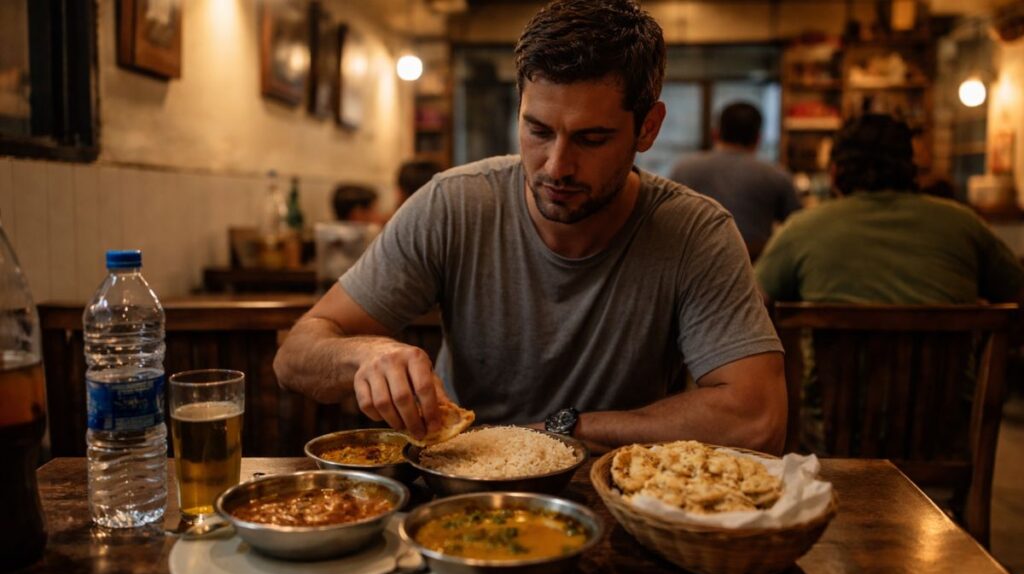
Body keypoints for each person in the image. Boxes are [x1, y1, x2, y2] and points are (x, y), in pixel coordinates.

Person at [274, 0, 786, 454]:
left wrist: (569, 428)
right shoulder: (452, 205)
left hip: (620, 494)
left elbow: (758, 418)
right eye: (538, 130)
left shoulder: (696, 232)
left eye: (592, 138)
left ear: (647, 128)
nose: (556, 166)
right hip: (459, 486)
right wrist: (366, 354)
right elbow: (295, 355)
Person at [755, 113, 1024, 306]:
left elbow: (751, 306)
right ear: (911, 169)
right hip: (949, 387)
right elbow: (1017, 295)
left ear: (834, 174)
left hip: (831, 386)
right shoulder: (964, 224)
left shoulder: (801, 230)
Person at [670, 102, 801, 259]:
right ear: (758, 138)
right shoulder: (777, 175)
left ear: (715, 133)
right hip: (755, 269)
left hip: (693, 265)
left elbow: (670, 224)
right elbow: (798, 227)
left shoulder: (684, 169)